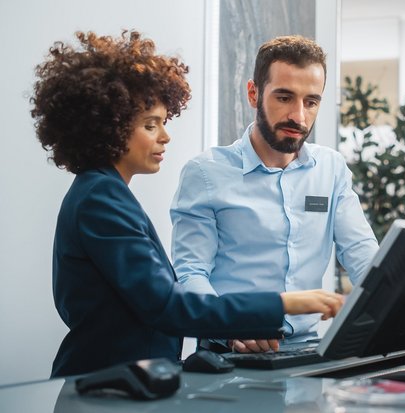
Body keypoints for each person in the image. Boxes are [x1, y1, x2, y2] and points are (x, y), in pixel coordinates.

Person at [30, 30, 344, 378]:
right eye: (151, 125)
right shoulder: (100, 199)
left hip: (128, 382)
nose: (165, 136)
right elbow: (170, 306)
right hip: (102, 386)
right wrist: (287, 303)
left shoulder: (105, 193)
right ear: (109, 127)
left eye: (164, 122)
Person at [170, 35, 379, 353]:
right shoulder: (205, 173)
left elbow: (363, 256)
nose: (299, 116)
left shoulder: (331, 169)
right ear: (253, 93)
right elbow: (191, 272)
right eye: (284, 97)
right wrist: (228, 326)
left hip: (309, 347)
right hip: (229, 349)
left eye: (311, 102)